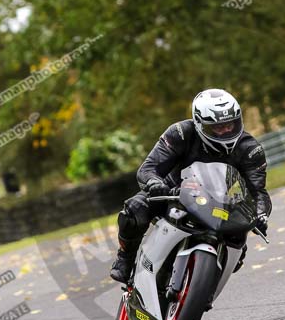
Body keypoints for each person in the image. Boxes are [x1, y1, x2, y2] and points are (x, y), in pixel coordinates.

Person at [110, 88, 272, 283]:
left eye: (231, 124)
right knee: (134, 211)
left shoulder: (250, 149)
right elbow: (147, 169)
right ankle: (125, 259)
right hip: (172, 194)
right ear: (198, 123)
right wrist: (155, 183)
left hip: (219, 204)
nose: (226, 131)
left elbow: (259, 192)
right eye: (217, 127)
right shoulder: (180, 133)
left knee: (238, 243)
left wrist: (261, 214)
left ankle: (206, 287)